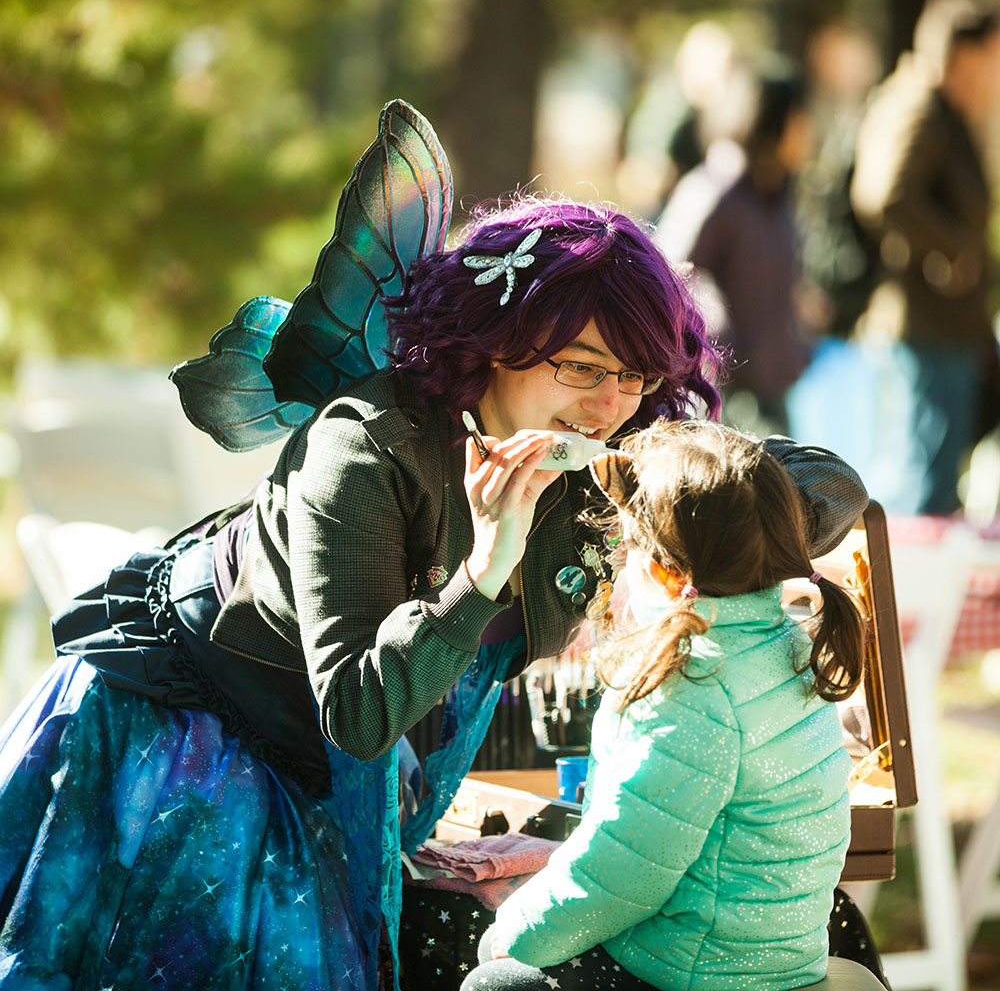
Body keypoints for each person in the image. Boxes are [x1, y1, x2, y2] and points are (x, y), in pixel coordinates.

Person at [0, 180, 868, 989]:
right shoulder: (366, 446)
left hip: (371, 779)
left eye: (636, 374)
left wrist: (696, 475)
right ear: (496, 343)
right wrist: (483, 574)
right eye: (582, 365)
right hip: (197, 747)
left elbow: (833, 491)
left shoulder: (613, 453)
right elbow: (362, 716)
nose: (612, 404)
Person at [462, 418, 868, 991]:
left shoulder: (689, 687)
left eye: (625, 544)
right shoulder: (785, 641)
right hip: (777, 951)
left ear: (657, 568)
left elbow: (624, 872)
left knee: (493, 978)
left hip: (695, 966)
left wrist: (517, 929)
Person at [850, 0, 1000, 514]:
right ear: (965, 53)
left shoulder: (945, 111)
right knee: (922, 487)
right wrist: (953, 253)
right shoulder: (922, 104)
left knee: (930, 479)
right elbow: (883, 194)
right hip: (925, 328)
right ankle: (905, 596)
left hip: (944, 329)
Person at [655, 59, 816, 436]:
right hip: (722, 390)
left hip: (773, 384)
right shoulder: (716, 189)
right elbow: (670, 272)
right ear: (772, 121)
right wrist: (719, 331)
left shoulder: (779, 193)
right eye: (802, 119)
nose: (811, 132)